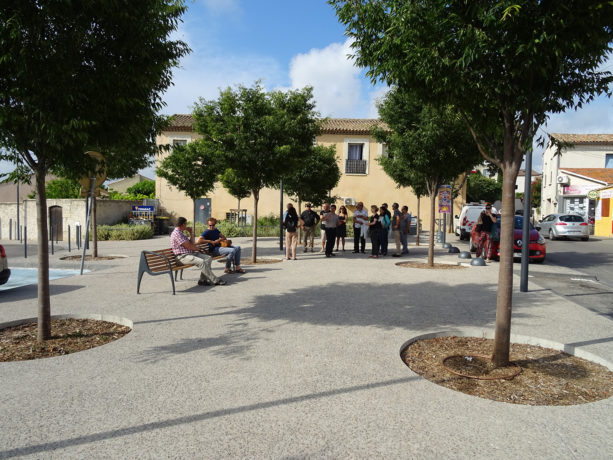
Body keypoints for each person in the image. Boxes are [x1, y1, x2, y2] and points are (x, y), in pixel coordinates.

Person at [170, 217, 225, 286]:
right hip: (182, 257)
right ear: (183, 224)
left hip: (190, 254)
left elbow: (192, 243)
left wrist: (191, 233)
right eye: (186, 224)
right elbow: (189, 246)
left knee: (208, 258)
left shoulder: (181, 233)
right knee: (201, 262)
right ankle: (215, 280)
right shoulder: (177, 234)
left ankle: (202, 280)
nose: (186, 225)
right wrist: (197, 249)